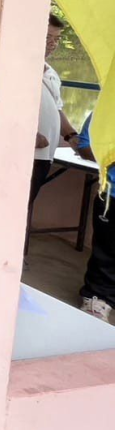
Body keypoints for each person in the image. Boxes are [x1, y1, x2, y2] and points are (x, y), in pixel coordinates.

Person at [30, 15, 80, 241]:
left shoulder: (50, 72)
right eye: (47, 37)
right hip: (25, 154)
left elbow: (57, 108)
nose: (52, 43)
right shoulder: (14, 66)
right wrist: (27, 134)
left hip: (43, 155)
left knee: (26, 205)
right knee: (12, 205)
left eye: (56, 39)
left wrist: (71, 135)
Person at [77, 111, 115, 321]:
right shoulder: (109, 105)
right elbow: (84, 145)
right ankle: (98, 300)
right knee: (107, 253)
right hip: (112, 194)